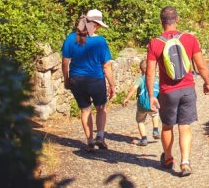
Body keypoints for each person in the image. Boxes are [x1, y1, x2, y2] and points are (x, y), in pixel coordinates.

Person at [146, 6, 209, 177]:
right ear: (177, 20)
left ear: (162, 22)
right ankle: (185, 163)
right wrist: (207, 82)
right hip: (187, 89)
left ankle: (168, 158)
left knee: (167, 126)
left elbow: (150, 72)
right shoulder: (189, 39)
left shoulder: (155, 43)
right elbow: (201, 65)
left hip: (167, 92)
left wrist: (152, 95)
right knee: (185, 127)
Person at [62, 9, 115, 151]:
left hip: (76, 80)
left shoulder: (70, 38)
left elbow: (65, 62)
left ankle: (90, 141)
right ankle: (101, 137)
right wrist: (112, 85)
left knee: (85, 110)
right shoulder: (100, 41)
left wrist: (66, 80)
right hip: (95, 80)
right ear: (95, 25)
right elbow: (106, 65)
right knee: (101, 108)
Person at [122, 60, 160, 146]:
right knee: (155, 114)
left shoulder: (140, 79)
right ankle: (155, 130)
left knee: (140, 121)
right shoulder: (156, 79)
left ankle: (144, 139)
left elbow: (133, 89)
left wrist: (127, 98)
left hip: (142, 105)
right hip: (153, 103)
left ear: (141, 69)